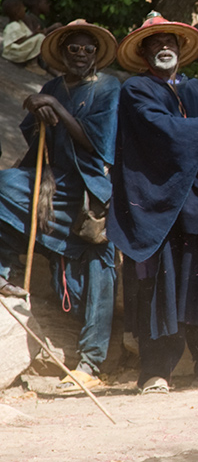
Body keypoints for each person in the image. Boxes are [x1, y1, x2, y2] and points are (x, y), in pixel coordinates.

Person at [107, 12, 198, 395]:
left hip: (197, 205)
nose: (164, 47)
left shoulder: (196, 90)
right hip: (156, 206)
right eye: (155, 43)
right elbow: (161, 131)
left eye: (170, 41)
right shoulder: (136, 90)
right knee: (160, 288)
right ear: (144, 52)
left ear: (180, 49)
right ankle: (156, 370)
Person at [0, 20, 120, 393]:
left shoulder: (108, 88)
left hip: (90, 190)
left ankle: (91, 362)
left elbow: (96, 143)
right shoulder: (53, 85)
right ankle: (4, 273)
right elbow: (33, 127)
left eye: (88, 50)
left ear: (96, 55)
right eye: (73, 49)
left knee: (99, 262)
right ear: (63, 54)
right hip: (51, 182)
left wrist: (53, 105)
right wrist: (35, 106)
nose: (81, 55)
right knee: (3, 186)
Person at [1, 0, 45, 65]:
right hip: (14, 54)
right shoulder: (14, 26)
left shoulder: (19, 23)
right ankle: (32, 63)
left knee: (40, 36)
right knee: (40, 38)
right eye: (22, 9)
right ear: (17, 12)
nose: (24, 10)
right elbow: (19, 41)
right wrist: (35, 34)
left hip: (14, 52)